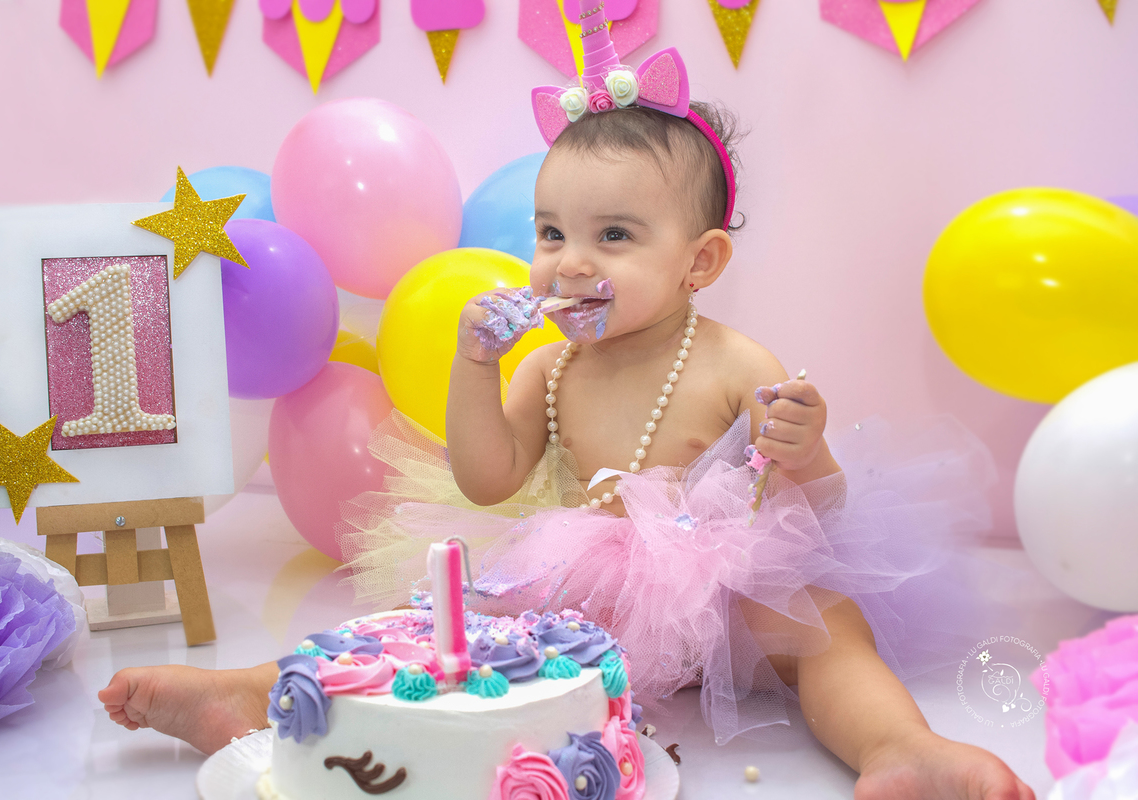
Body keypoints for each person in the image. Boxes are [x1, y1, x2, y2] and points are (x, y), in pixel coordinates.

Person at [101, 4, 1036, 797]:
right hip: (585, 594)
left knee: (831, 626)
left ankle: (898, 748)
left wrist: (808, 450)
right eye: (552, 232)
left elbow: (818, 516)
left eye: (616, 235)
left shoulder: (730, 359)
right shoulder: (547, 369)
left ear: (699, 262)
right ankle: (258, 691)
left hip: (736, 587)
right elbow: (487, 477)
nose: (570, 261)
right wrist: (475, 366)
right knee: (452, 629)